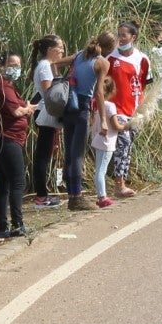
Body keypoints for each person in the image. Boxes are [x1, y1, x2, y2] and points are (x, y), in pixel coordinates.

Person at [62, 34, 113, 211]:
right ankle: (76, 198)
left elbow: (56, 63)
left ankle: (71, 195)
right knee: (77, 153)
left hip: (68, 104)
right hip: (82, 106)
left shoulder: (79, 55)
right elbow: (99, 92)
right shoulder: (102, 62)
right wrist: (103, 120)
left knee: (69, 152)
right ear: (111, 48)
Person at [0, 53, 34, 238]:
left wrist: (25, 107)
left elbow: (18, 106)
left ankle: (2, 227)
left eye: (18, 65)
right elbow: (15, 111)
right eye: (12, 65)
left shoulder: (6, 85)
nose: (16, 69)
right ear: (1, 66)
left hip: (5, 138)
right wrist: (27, 109)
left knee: (4, 183)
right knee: (17, 181)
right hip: (7, 138)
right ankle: (17, 224)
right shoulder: (0, 84)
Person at [106, 21, 150, 198]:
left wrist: (142, 108)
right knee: (122, 146)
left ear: (134, 37)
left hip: (135, 112)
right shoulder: (111, 59)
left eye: (124, 35)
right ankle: (119, 185)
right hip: (118, 110)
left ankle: (123, 179)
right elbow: (103, 86)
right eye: (119, 35)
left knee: (128, 147)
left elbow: (145, 83)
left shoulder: (142, 59)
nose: (121, 39)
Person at [28, 34, 67, 209]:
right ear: (50, 50)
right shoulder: (45, 67)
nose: (62, 51)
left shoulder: (46, 65)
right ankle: (41, 197)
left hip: (47, 113)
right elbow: (49, 95)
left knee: (45, 154)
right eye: (60, 48)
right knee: (42, 156)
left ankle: (43, 194)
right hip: (46, 114)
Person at [89, 71, 129, 209]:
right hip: (107, 142)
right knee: (101, 170)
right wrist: (127, 126)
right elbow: (116, 126)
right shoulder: (110, 106)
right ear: (112, 90)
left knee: (99, 168)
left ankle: (101, 195)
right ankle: (102, 197)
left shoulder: (95, 104)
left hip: (98, 140)